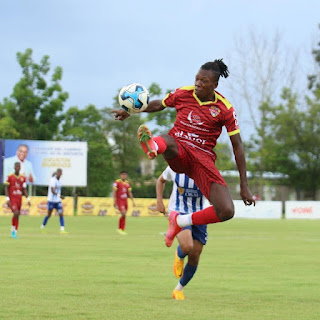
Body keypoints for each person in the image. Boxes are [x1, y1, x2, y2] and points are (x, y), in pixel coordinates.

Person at [112, 59, 256, 246]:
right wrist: (131, 110)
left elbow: (237, 146)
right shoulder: (183, 93)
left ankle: (179, 221)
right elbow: (159, 104)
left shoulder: (225, 109)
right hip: (178, 149)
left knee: (227, 210)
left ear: (215, 84)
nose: (198, 84)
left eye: (204, 81)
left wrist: (244, 185)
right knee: (169, 139)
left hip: (202, 161)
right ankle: (153, 146)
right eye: (196, 79)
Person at [157, 166, 210, 300]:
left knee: (195, 256)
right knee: (187, 246)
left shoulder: (206, 170)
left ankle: (178, 289)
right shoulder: (175, 167)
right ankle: (179, 254)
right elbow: (160, 180)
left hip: (200, 214)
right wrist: (159, 202)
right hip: (178, 211)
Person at [5, 162, 31, 238]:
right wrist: (7, 198)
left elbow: (24, 189)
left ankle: (15, 231)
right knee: (16, 213)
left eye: (18, 166)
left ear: (20, 168)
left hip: (19, 199)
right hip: (12, 199)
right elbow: (6, 188)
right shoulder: (10, 177)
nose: (17, 168)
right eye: (16, 166)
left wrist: (28, 199)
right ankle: (12, 230)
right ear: (14, 167)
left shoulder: (23, 178)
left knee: (17, 215)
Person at [40, 169, 68, 234]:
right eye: (58, 172)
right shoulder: (53, 180)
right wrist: (59, 195)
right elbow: (52, 190)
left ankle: (62, 229)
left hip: (58, 201)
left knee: (61, 214)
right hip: (51, 200)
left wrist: (60, 196)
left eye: (60, 173)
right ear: (56, 173)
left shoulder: (60, 181)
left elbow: (58, 189)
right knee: (49, 214)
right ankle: (42, 226)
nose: (59, 174)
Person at [113, 170, 135, 235]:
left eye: (125, 175)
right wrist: (114, 201)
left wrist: (132, 201)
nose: (124, 176)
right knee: (123, 213)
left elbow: (129, 192)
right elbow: (114, 192)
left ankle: (122, 229)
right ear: (120, 175)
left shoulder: (127, 183)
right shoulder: (117, 182)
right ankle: (120, 228)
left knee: (124, 215)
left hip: (125, 201)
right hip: (119, 200)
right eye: (122, 175)